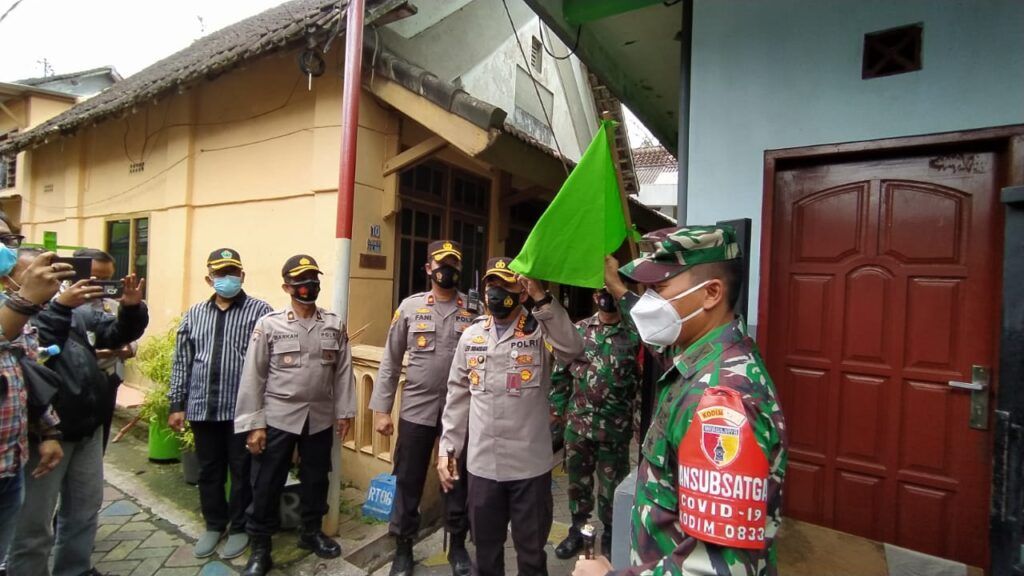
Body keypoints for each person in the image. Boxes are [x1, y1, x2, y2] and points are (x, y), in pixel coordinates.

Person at [572, 225, 787, 576]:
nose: (649, 301)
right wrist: (618, 290)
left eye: (659, 288)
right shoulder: (704, 355)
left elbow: (720, 568)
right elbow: (658, 341)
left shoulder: (722, 402)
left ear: (711, 293)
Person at [437, 257, 584, 576]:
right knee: (486, 555)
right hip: (482, 467)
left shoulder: (540, 331)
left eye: (506, 284)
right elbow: (456, 400)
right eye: (492, 284)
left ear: (520, 291)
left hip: (529, 468)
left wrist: (542, 298)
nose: (496, 291)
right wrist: (447, 456)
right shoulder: (472, 336)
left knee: (531, 556)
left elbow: (572, 349)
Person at [9, 251, 148, 576]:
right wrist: (60, 307)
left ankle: (75, 569)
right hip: (43, 434)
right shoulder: (14, 315)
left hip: (86, 427)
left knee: (84, 508)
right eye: (37, 272)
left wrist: (130, 308)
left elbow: (115, 334)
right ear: (16, 278)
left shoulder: (77, 311)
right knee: (34, 523)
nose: (48, 279)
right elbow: (40, 347)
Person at [235, 254, 356, 576]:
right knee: (266, 483)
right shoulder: (269, 324)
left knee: (317, 479)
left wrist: (344, 413)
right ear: (287, 286)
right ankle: (261, 546)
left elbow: (343, 372)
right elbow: (253, 376)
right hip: (278, 417)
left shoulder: (333, 323)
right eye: (301, 281)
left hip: (318, 417)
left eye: (313, 279)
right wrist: (254, 424)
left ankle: (311, 532)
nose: (309, 286)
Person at [370, 240, 475, 576]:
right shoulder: (410, 308)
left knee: (456, 481)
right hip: (417, 410)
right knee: (408, 481)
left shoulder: (473, 311)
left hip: (459, 414)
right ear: (428, 269)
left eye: (453, 264)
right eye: (440, 263)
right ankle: (403, 549)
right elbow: (390, 360)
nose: (447, 270)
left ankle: (457, 547)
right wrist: (382, 409)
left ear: (459, 268)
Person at [167, 248, 273, 559]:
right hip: (203, 407)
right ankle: (214, 524)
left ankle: (239, 527)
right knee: (208, 470)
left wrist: (262, 414)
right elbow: (182, 361)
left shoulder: (260, 311)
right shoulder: (195, 314)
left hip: (241, 410)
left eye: (232, 273)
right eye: (220, 274)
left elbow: (269, 365)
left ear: (243, 275)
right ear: (209, 278)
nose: (226, 279)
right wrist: (177, 403)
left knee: (242, 471)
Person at [551, 288, 641, 559]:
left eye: (611, 291)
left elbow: (641, 383)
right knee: (578, 483)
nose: (606, 296)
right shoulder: (578, 331)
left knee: (612, 487)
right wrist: (556, 409)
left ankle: (613, 533)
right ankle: (578, 529)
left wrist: (639, 423)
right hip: (578, 425)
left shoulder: (634, 335)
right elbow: (561, 371)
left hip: (615, 428)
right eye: (602, 292)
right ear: (594, 296)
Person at [0, 224, 71, 565]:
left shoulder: (14, 306)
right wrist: (27, 299)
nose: (7, 247)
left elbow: (26, 371)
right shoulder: (19, 305)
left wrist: (48, 430)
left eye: (8, 239)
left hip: (10, 459)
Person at [72, 248, 139, 451]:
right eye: (94, 277)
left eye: (106, 278)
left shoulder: (112, 304)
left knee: (97, 440)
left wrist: (128, 348)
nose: (100, 284)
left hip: (106, 382)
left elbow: (129, 335)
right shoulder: (60, 305)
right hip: (71, 384)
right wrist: (92, 354)